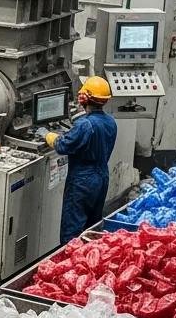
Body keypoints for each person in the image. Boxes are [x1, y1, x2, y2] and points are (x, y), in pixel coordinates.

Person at [37, 76, 118, 245]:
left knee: (72, 232)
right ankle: (91, 261)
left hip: (82, 181)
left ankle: (70, 265)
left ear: (85, 98)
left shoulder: (85, 125)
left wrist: (46, 134)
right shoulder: (111, 121)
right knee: (93, 228)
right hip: (102, 177)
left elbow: (63, 145)